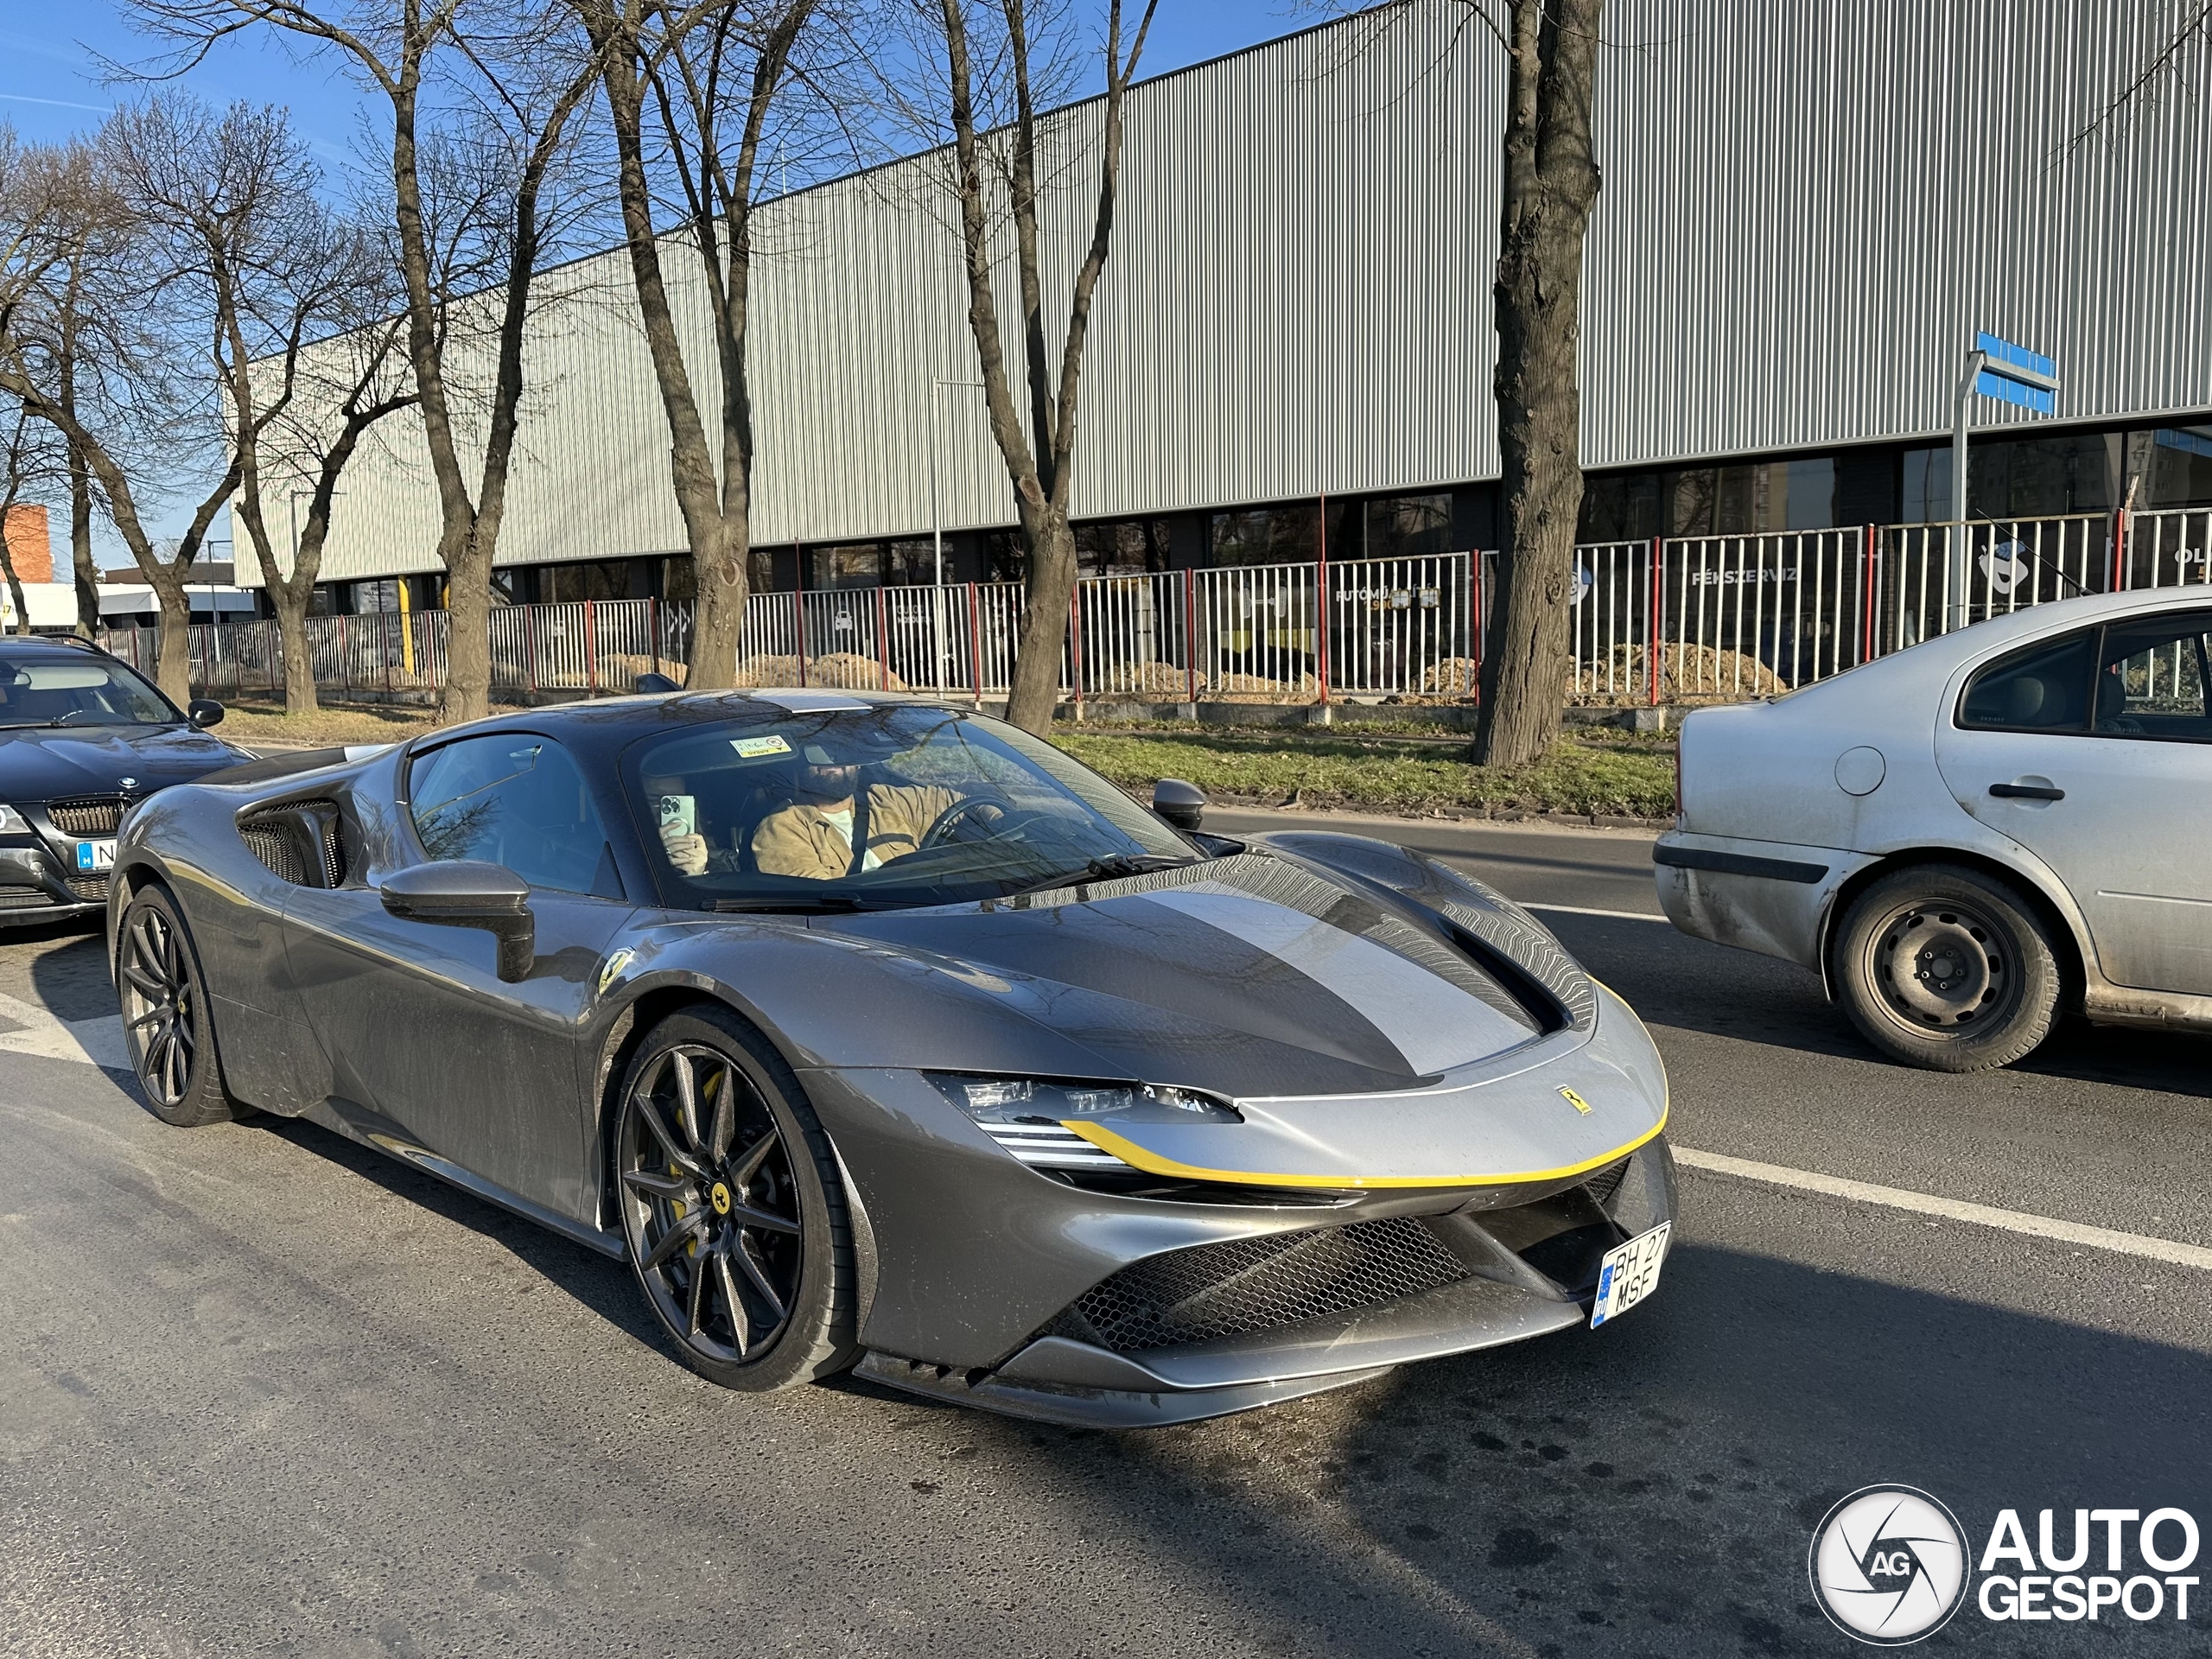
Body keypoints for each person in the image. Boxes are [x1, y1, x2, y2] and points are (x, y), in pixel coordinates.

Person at [658, 747, 996, 880]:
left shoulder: (889, 800)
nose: (834, 760)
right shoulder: (782, 828)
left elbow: (962, 803)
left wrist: (1004, 821)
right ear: (800, 764)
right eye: (819, 752)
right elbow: (833, 903)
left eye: (843, 748)